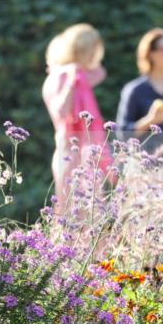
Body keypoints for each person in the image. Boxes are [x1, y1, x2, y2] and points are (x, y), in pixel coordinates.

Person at [41, 24, 112, 207]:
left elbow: (100, 72)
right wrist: (72, 82)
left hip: (86, 152)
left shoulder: (81, 76)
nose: (94, 55)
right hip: (69, 151)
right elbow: (61, 111)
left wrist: (78, 71)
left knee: (93, 211)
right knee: (70, 212)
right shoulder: (61, 76)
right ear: (82, 49)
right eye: (92, 50)